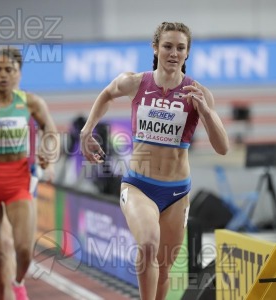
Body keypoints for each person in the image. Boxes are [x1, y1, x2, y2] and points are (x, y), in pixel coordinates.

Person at [80, 22, 229, 300]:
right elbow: (107, 94)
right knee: (148, 244)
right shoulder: (135, 82)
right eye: (168, 46)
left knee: (164, 266)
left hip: (176, 193)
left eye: (180, 48)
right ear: (156, 48)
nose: (174, 53)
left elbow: (222, 147)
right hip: (139, 185)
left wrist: (206, 112)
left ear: (187, 53)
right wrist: (87, 130)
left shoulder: (198, 93)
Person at [0, 48, 59, 300]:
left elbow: (50, 132)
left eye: (10, 70)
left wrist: (48, 157)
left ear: (19, 73)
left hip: (18, 179)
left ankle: (18, 282)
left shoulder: (30, 102)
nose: (3, 75)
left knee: (24, 249)